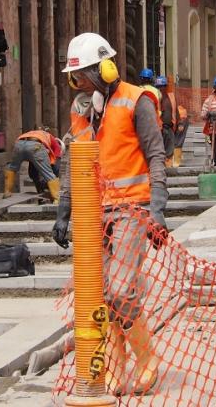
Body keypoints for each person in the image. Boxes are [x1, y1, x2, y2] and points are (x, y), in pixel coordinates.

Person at [53, 32, 167, 396]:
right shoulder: (81, 108)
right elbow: (75, 159)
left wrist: (158, 212)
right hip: (93, 211)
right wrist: (63, 211)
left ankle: (147, 360)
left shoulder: (138, 101)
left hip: (133, 207)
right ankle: (115, 367)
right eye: (74, 78)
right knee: (100, 293)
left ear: (104, 68)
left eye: (82, 76)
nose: (78, 84)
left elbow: (156, 157)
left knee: (120, 290)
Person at [3, 129, 63, 203]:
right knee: (48, 173)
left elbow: (34, 162)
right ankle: (57, 198)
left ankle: (7, 192)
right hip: (35, 145)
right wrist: (54, 173)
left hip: (18, 144)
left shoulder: (35, 133)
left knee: (12, 168)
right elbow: (56, 159)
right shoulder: (53, 140)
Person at [154, 76, 176, 165]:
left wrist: (180, 123)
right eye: (159, 87)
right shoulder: (155, 97)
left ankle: (168, 164)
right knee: (160, 147)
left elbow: (176, 111)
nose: (161, 89)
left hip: (169, 126)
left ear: (166, 87)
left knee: (170, 145)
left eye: (163, 86)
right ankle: (161, 164)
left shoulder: (171, 97)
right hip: (159, 128)